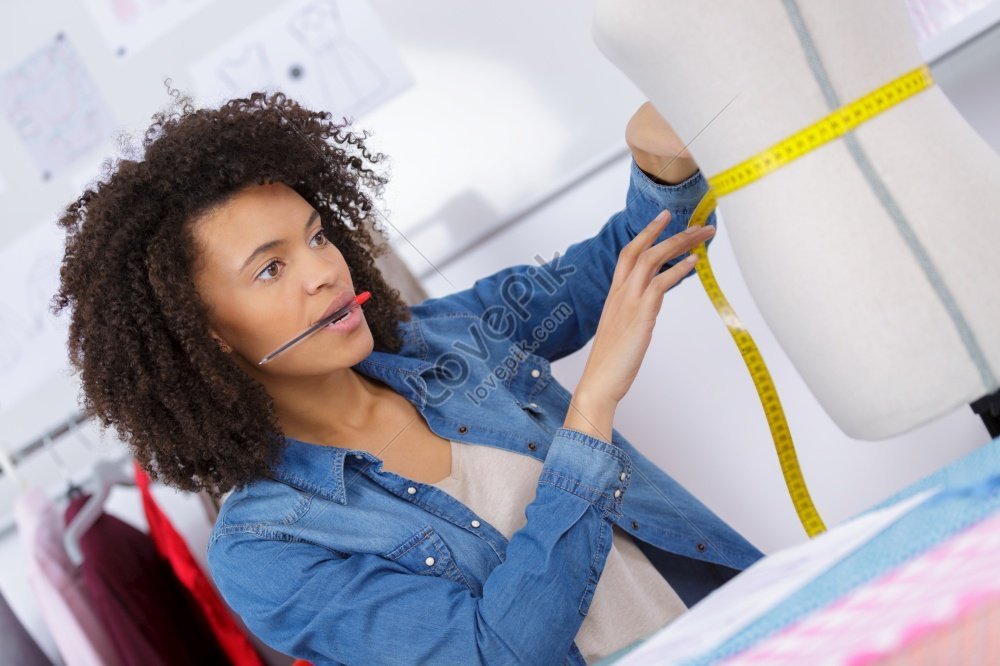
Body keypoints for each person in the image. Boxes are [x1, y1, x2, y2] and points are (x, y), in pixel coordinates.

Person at [53, 85, 763, 665]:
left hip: (754, 633)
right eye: (271, 268)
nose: (325, 271)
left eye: (317, 236)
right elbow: (495, 654)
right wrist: (593, 408)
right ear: (204, 337)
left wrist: (661, 166)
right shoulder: (266, 549)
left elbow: (611, 272)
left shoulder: (441, 340)